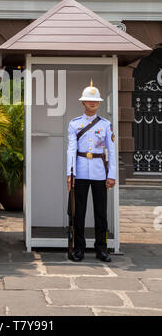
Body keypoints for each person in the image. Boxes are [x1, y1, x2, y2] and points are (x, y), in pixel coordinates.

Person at [66, 80, 116, 263]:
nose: (92, 103)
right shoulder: (75, 124)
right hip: (79, 171)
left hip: (99, 172)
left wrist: (112, 175)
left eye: (95, 100)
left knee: (101, 213)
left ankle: (101, 248)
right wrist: (69, 173)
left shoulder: (105, 124)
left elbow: (111, 150)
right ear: (83, 102)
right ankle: (79, 248)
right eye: (89, 100)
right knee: (78, 212)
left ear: (99, 103)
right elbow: (71, 149)